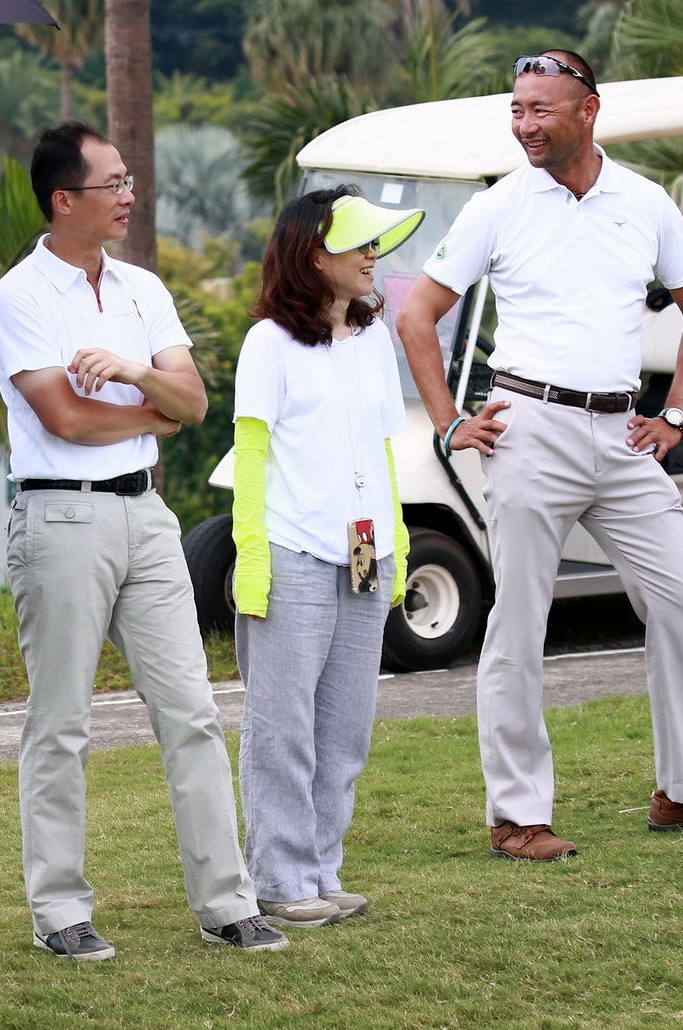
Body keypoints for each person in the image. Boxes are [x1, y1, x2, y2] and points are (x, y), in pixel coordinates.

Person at [396, 51, 683, 862]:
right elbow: (418, 316)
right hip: (527, 427)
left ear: (589, 110)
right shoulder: (499, 206)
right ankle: (517, 816)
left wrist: (674, 411)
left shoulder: (643, 202)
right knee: (522, 622)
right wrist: (448, 421)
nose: (525, 124)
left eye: (541, 109)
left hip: (622, 434)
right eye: (517, 109)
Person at [0, 121, 285, 960]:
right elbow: (65, 417)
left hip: (147, 514)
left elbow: (191, 403)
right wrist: (153, 412)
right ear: (64, 199)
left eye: (127, 180)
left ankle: (228, 902)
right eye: (112, 183)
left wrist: (138, 376)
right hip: (61, 517)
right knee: (61, 722)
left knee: (191, 710)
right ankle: (59, 912)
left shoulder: (143, 288)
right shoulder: (19, 295)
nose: (128, 194)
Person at [231, 185, 420, 927]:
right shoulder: (268, 344)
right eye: (360, 243)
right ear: (315, 253)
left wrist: (395, 538)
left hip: (364, 548)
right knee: (282, 725)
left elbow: (379, 448)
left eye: (376, 242)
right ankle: (278, 878)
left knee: (346, 722)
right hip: (294, 548)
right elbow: (251, 455)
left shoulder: (374, 339)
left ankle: (320, 868)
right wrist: (252, 554)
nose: (374, 256)